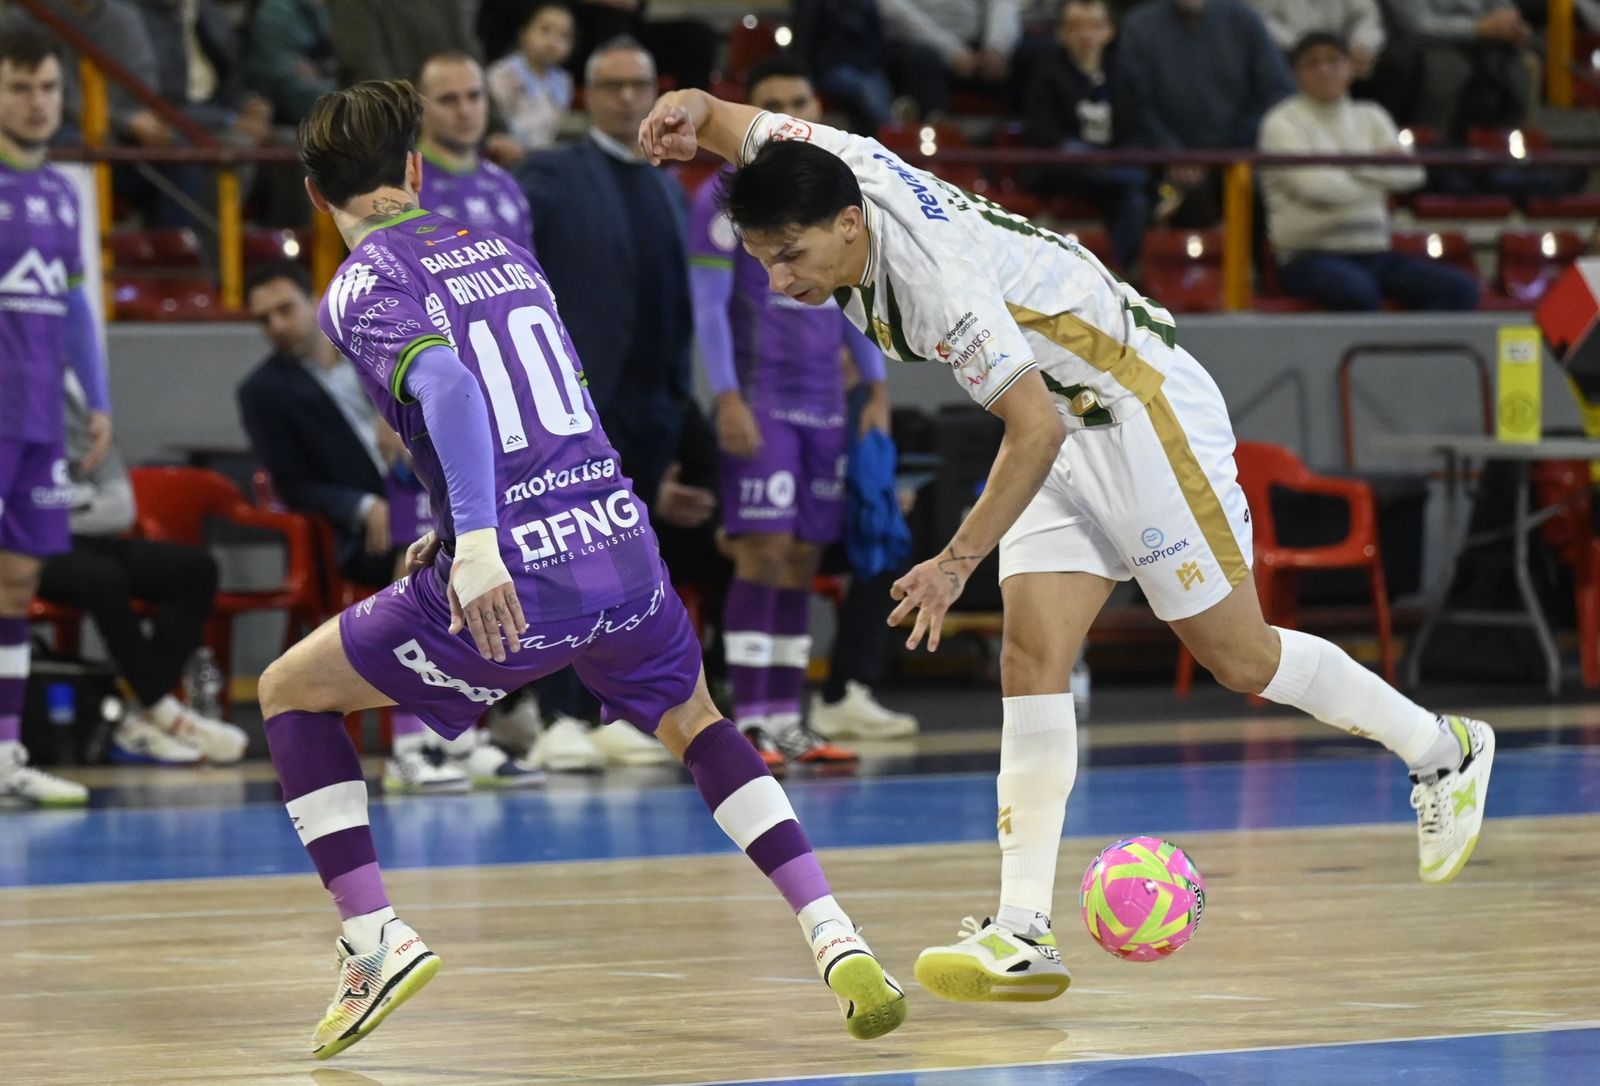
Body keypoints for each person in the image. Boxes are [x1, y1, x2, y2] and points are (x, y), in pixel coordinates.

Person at [638, 85, 1498, 1005]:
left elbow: (1033, 430)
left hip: (1134, 406)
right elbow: (731, 120)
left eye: (792, 257)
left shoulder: (936, 286)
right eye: (763, 260)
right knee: (1030, 655)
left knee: (1240, 659)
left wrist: (953, 562)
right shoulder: (817, 165)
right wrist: (682, 110)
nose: (780, 281)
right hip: (1060, 418)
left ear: (851, 224)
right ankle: (1022, 931)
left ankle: (1442, 746)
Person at [263, 78, 907, 1058]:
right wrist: (464, 520)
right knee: (698, 722)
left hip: (513, 576)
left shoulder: (357, 285)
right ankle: (833, 933)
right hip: (616, 536)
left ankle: (371, 939)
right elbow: (541, 396)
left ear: (317, 196)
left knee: (289, 692)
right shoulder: (503, 249)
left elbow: (444, 384)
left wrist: (475, 544)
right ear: (414, 169)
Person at [238, 262, 543, 794]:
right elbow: (291, 483)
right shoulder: (262, 390)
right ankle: (409, 747)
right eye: (264, 320)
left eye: (285, 309)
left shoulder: (377, 352)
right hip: (362, 534)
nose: (277, 326)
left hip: (432, 501)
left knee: (496, 551)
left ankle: (466, 740)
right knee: (430, 562)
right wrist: (361, 506)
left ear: (314, 300)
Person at [690, 54, 902, 764]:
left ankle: (787, 719)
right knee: (762, 549)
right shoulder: (722, 201)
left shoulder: (837, 195)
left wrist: (874, 386)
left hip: (825, 404)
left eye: (795, 100)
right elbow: (709, 310)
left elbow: (854, 298)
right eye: (769, 101)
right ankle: (750, 718)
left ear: (809, 109)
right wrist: (725, 395)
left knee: (805, 554)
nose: (784, 114)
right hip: (762, 401)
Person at [517, 36, 719, 770]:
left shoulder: (672, 184)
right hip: (578, 406)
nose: (628, 98)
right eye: (612, 86)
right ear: (587, 94)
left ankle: (621, 711)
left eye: (639, 84)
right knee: (570, 561)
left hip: (657, 404)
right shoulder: (552, 174)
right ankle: (554, 715)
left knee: (631, 569)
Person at [0, 26, 113, 809]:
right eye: (19, 88)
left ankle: (5, 755)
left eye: (47, 88)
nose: (38, 104)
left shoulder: (60, 192)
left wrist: (97, 397)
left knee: (17, 583)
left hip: (40, 417)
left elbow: (73, 304)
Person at [38, 377, 248, 765]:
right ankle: (165, 712)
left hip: (86, 537)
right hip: (30, 551)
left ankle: (140, 719)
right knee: (103, 578)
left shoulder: (82, 412)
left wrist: (55, 512)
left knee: (195, 570)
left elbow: (122, 509)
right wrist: (74, 508)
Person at [1261, 32, 1479, 312]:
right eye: (1312, 63)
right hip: (1307, 256)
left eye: (1333, 61)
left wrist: (1342, 166)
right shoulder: (1281, 122)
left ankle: (1412, 355)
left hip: (1375, 251)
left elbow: (1413, 175)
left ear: (1352, 67)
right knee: (1357, 290)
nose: (1324, 70)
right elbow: (1317, 189)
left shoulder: (1372, 116)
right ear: (1295, 75)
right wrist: (1377, 168)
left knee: (1461, 289)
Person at [1116, 0, 1293, 225]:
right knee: (1178, 199)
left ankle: (1255, 260)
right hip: (1164, 160)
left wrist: (1233, 148)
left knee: (1259, 193)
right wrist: (1170, 151)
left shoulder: (1244, 20)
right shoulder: (1139, 26)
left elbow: (1277, 90)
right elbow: (1132, 101)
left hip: (1239, 155)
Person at [1021, 0, 1147, 272]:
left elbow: (1135, 129)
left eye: (1095, 27)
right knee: (1129, 178)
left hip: (1111, 172)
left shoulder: (1122, 74)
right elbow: (1044, 133)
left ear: (1110, 32)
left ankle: (1122, 276)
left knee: (1133, 199)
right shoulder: (1046, 74)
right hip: (1062, 172)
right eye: (1076, 27)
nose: (1086, 35)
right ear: (1062, 33)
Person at [415, 51, 534, 246]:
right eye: (448, 99)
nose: (465, 111)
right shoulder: (400, 187)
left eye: (474, 96)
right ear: (419, 106)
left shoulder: (507, 185)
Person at [1386, 0, 1533, 139]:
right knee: (1449, 69)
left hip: (1485, 39)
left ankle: (1512, 153)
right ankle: (1433, 152)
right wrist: (1477, 27)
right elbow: (1418, 24)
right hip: (1428, 43)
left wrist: (1512, 26)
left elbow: (1503, 8)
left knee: (1516, 71)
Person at [879, 0, 1021, 118]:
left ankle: (1034, 141)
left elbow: (1003, 4)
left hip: (980, 40)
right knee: (922, 60)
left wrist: (998, 47)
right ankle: (938, 136)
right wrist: (950, 50)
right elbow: (892, 8)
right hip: (915, 40)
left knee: (1039, 55)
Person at [485, 1, 575, 156]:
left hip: (542, 156)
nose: (553, 41)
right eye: (545, 30)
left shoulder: (564, 81)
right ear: (524, 32)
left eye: (564, 35)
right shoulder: (502, 74)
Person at [245, 0, 339, 126]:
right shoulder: (276, 12)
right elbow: (291, 90)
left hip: (322, 106)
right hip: (285, 118)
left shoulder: (321, 10)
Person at [1245, 0, 1385, 77]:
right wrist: (1306, 48)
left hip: (1345, 54)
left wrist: (1359, 44)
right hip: (1287, 56)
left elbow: (1366, 16)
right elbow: (1260, 20)